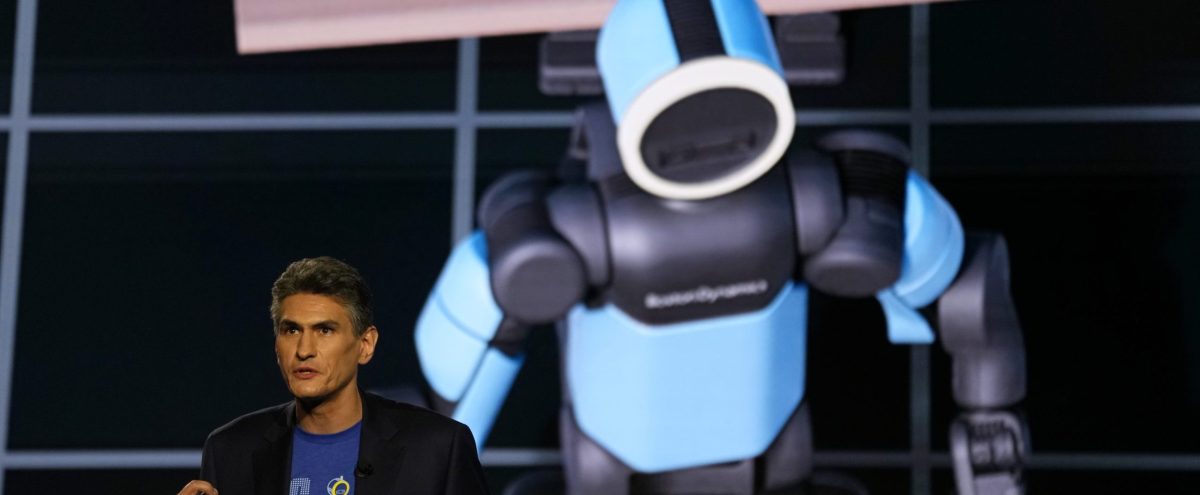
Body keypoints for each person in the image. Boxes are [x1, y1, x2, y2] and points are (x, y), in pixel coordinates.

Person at [178, 257, 489, 495]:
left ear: (365, 345)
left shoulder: (438, 448)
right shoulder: (231, 450)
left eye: (325, 330)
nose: (304, 350)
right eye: (291, 330)